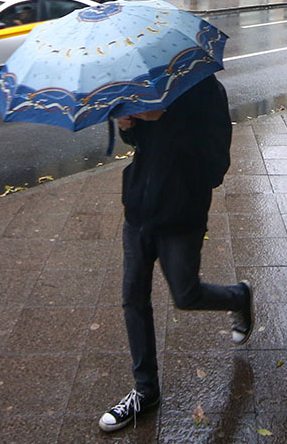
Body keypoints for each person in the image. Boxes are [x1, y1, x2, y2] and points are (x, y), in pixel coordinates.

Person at [98, 74, 253, 433]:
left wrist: (168, 118)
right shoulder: (141, 82)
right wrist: (128, 126)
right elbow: (140, 144)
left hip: (181, 214)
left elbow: (216, 166)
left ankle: (239, 296)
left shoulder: (206, 90)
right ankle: (145, 390)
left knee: (186, 295)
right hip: (138, 208)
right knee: (132, 298)